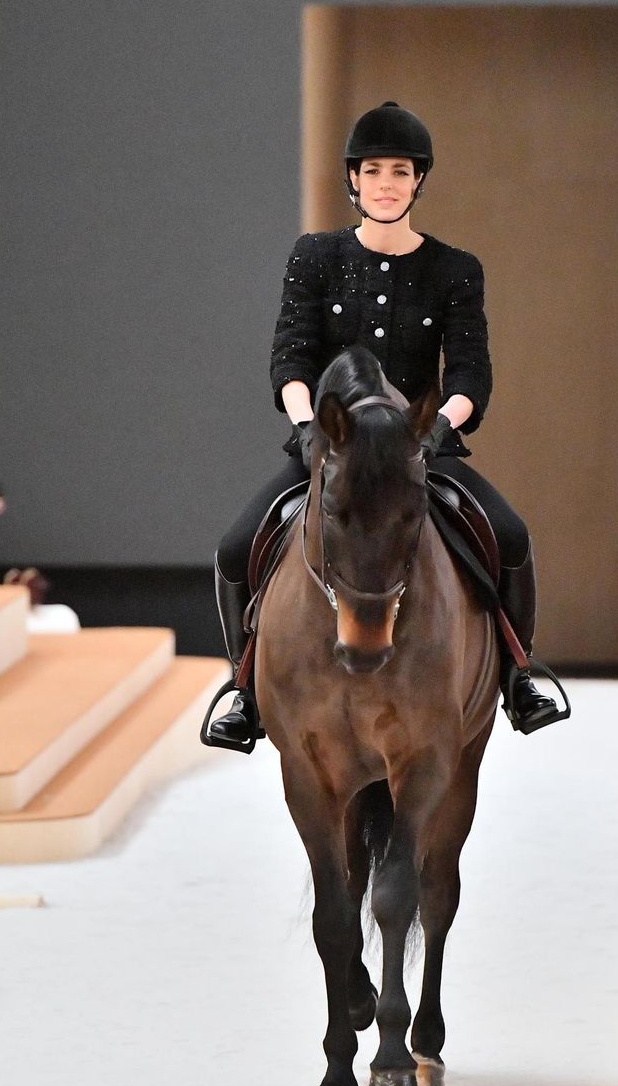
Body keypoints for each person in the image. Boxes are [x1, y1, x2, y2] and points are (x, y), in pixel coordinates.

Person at [209, 101, 564, 745]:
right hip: (331, 446)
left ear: (418, 181)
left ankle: (517, 676)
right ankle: (245, 690)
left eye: (400, 172)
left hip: (417, 452)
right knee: (236, 549)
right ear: (354, 180)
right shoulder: (316, 255)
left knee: (509, 536)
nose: (386, 184)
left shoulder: (456, 268)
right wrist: (309, 427)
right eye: (373, 171)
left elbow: (469, 373)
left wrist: (432, 434)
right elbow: (291, 354)